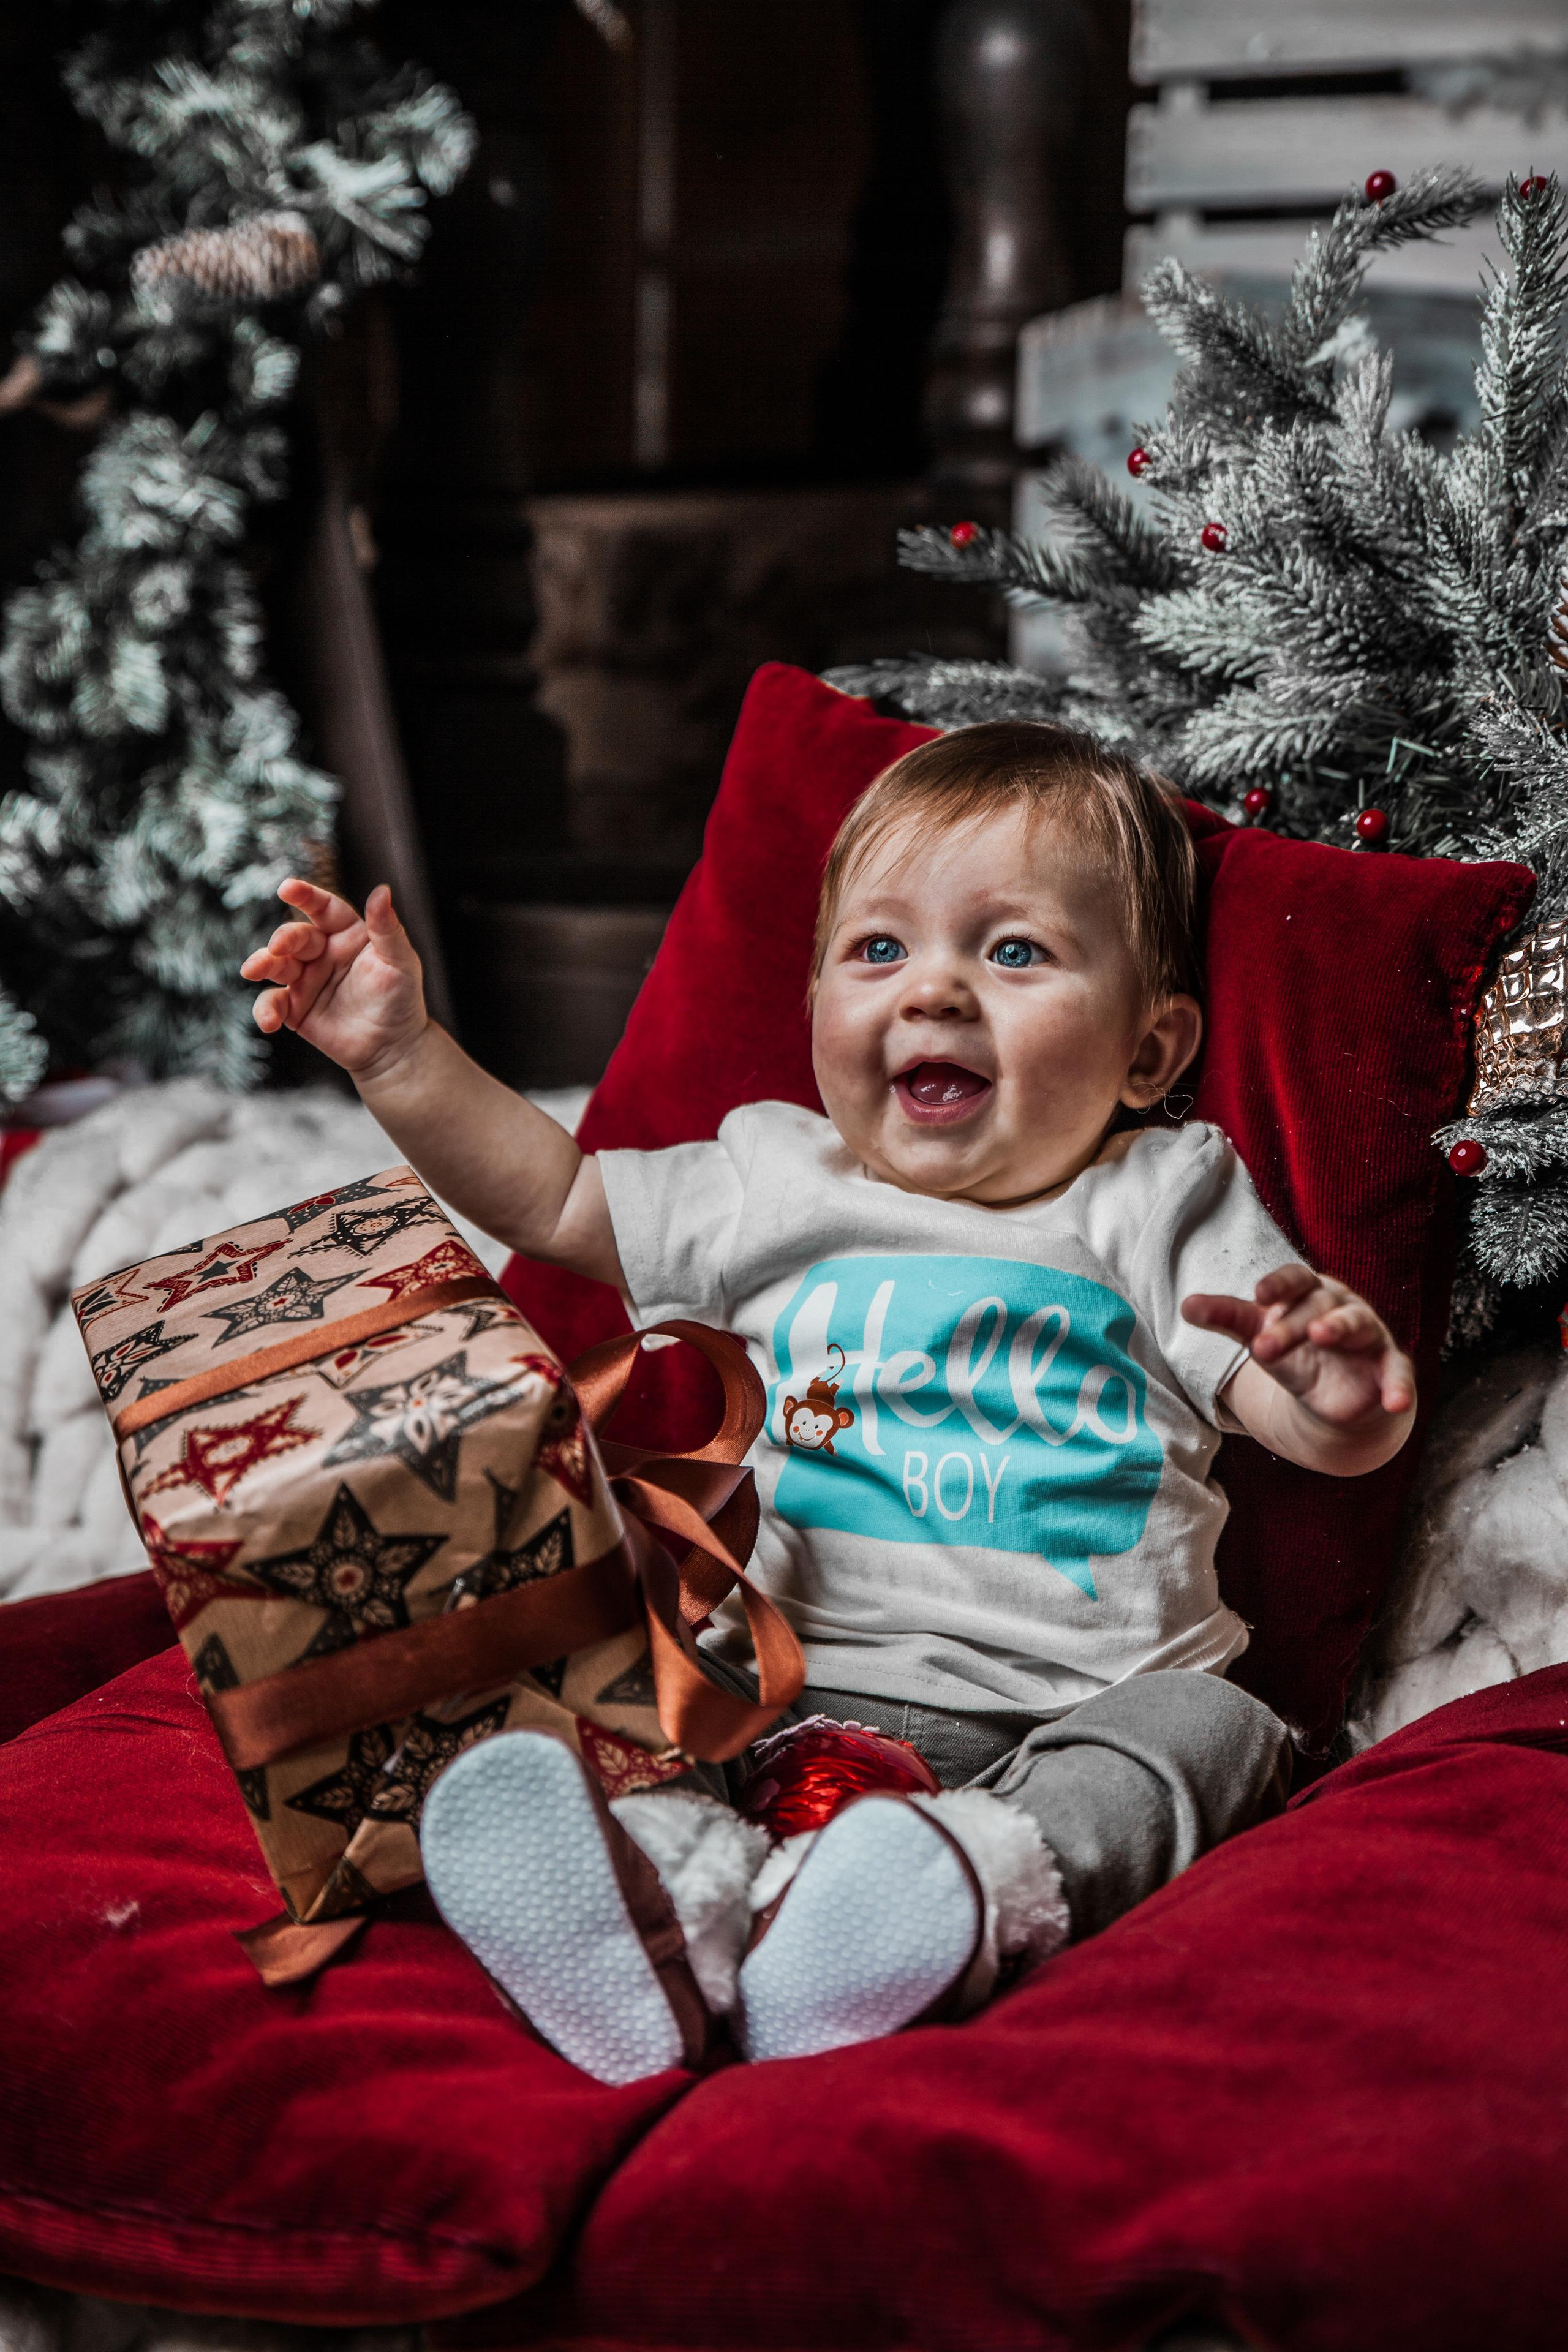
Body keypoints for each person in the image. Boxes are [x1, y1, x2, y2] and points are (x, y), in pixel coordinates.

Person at [241, 722, 1415, 2084]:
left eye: (1013, 951)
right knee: (598, 1628)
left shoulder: (1157, 1194)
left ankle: (947, 1892)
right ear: (810, 1011)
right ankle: (667, 1894)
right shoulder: (770, 1180)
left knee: (1213, 1732)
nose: (933, 993)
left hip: (1071, 1708)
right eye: (878, 951)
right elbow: (555, 1198)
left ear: (1149, 1052)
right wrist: (396, 1058)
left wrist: (1336, 1390)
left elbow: (1309, 1425)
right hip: (772, 1680)